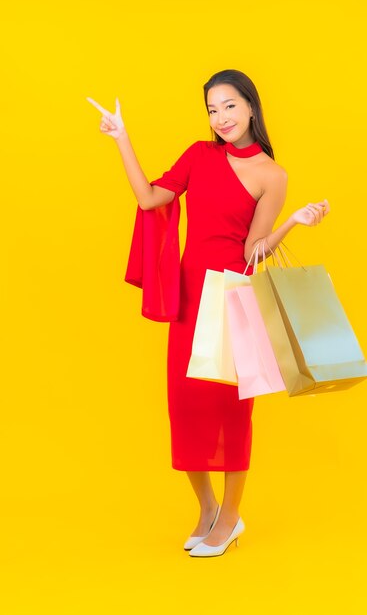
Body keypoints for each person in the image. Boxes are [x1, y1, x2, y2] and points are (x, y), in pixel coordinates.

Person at [87, 69, 330, 558]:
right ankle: (207, 508)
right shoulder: (200, 156)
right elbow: (150, 198)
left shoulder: (272, 175)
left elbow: (254, 249)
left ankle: (233, 516)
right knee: (186, 404)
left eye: (229, 106)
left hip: (235, 296)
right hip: (190, 295)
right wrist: (122, 139)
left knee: (232, 411)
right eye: (212, 109)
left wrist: (293, 223)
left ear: (251, 107)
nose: (220, 118)